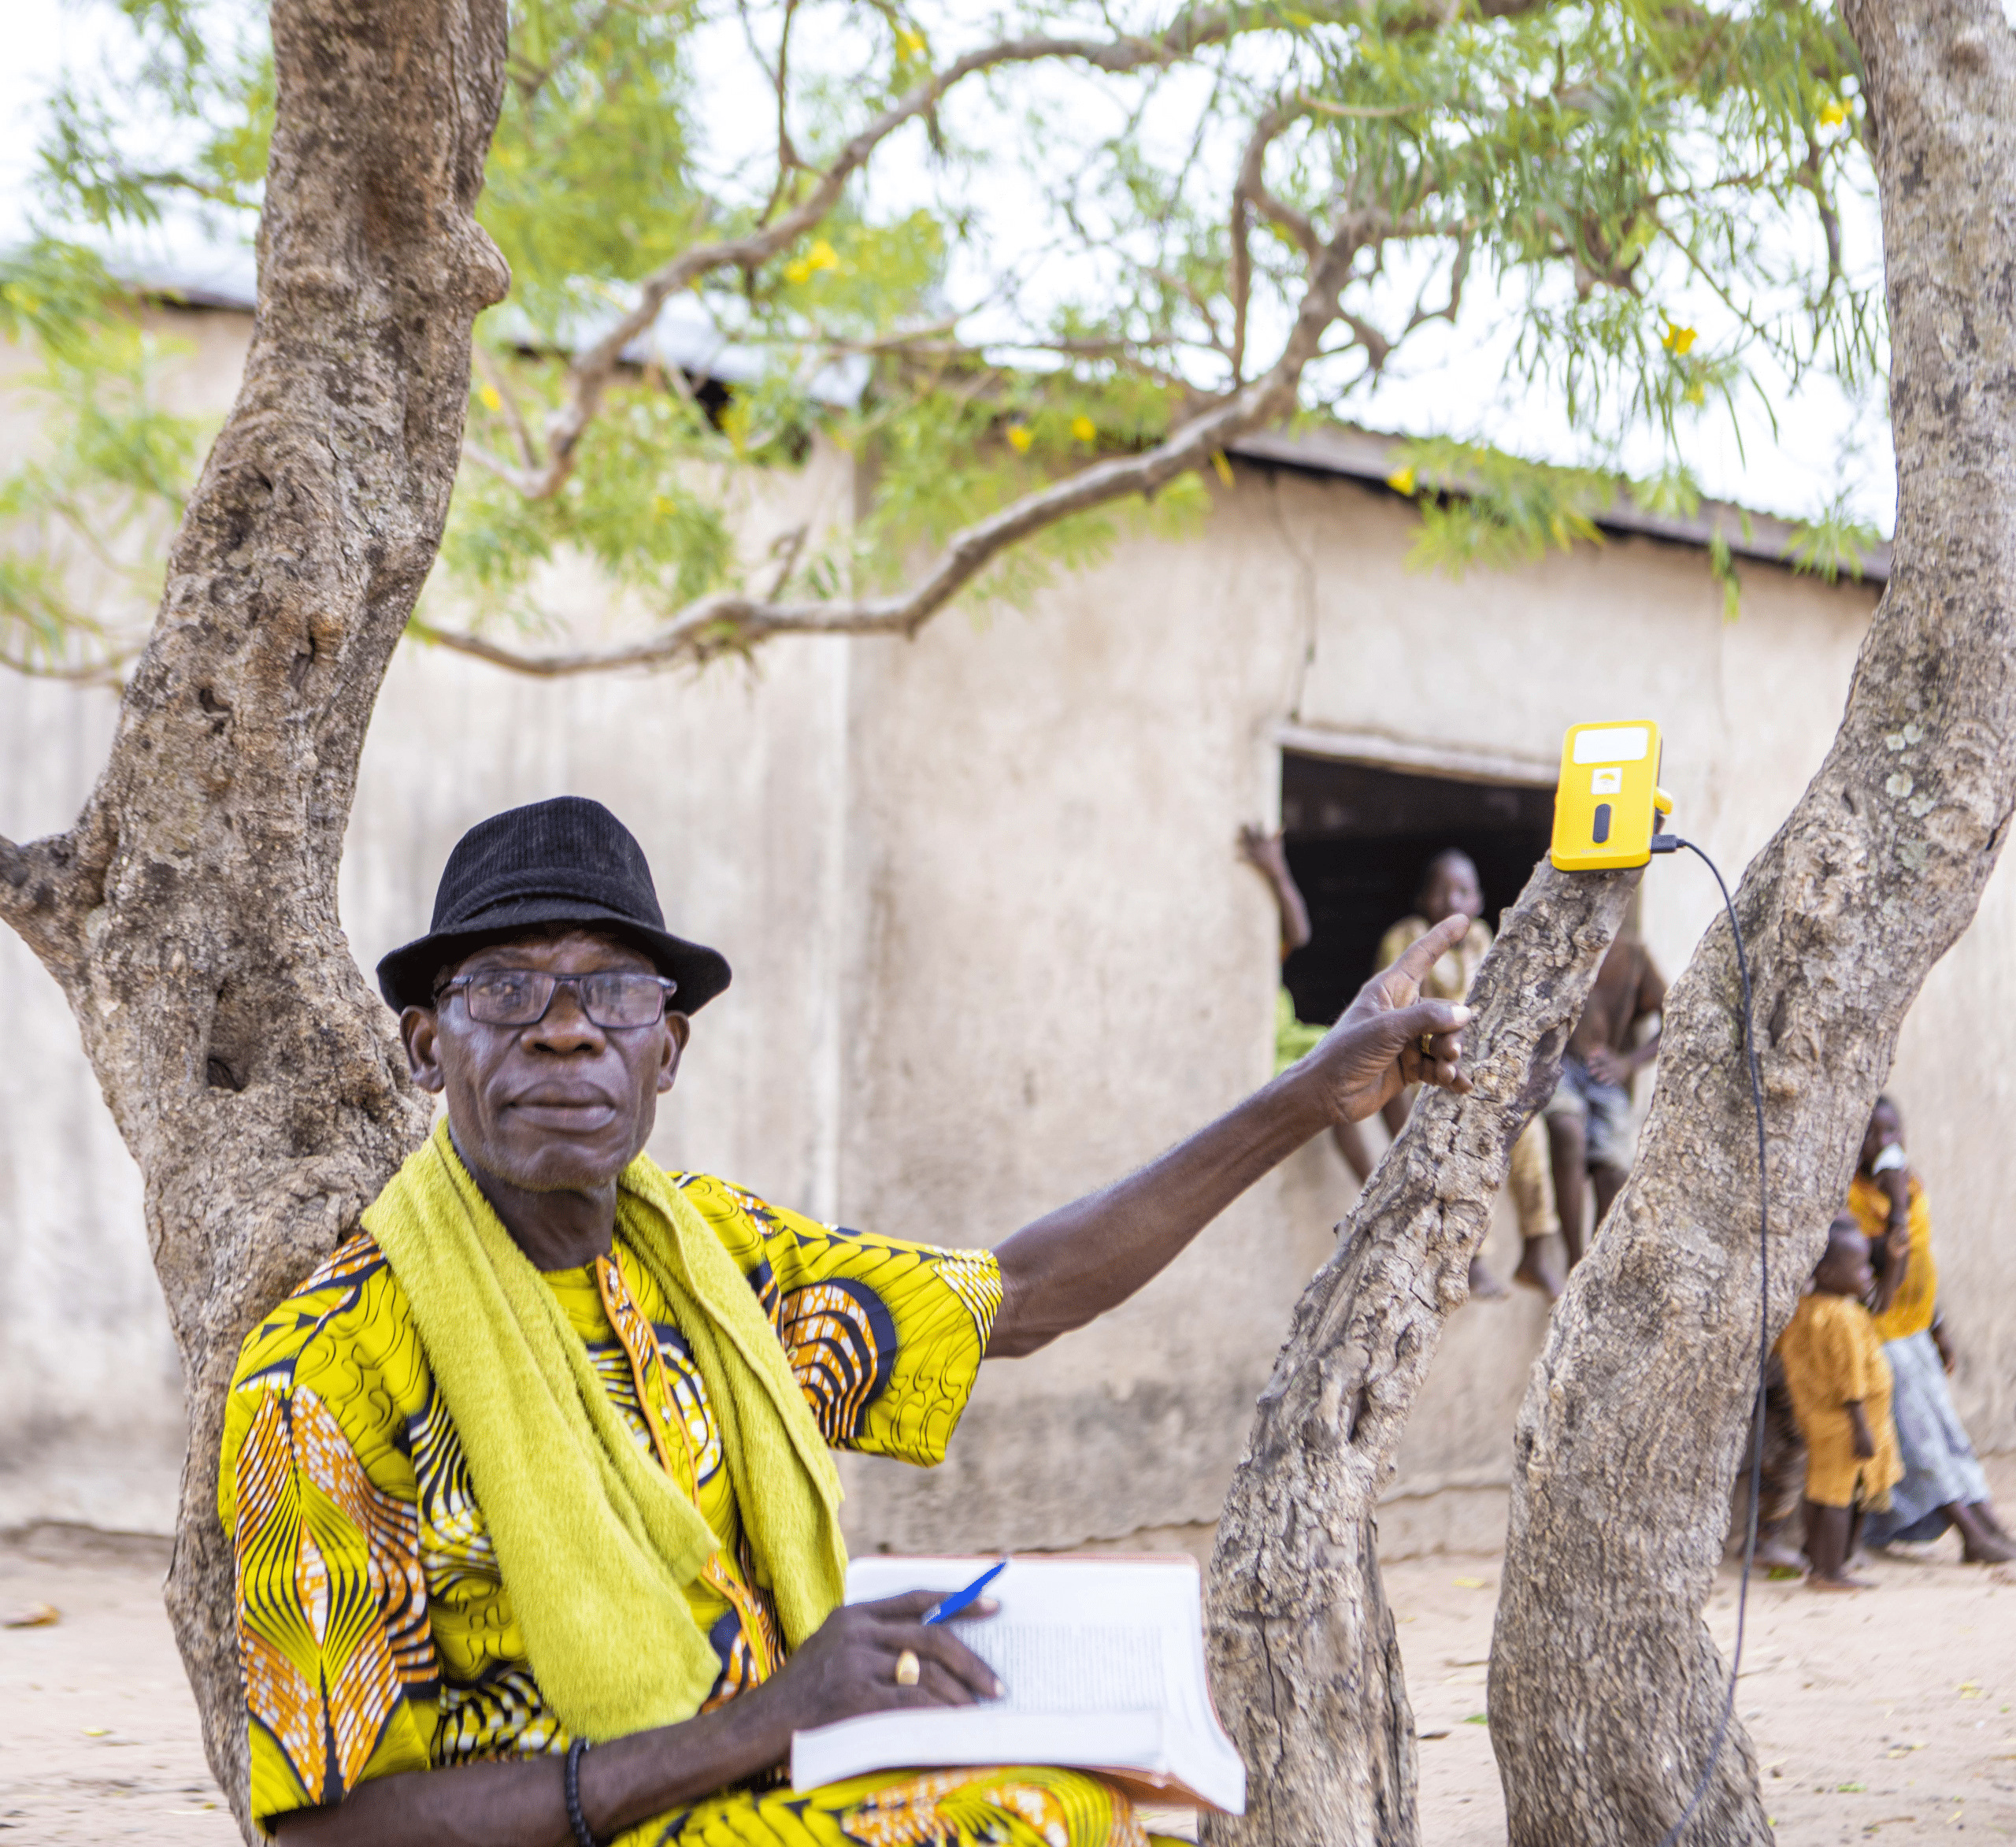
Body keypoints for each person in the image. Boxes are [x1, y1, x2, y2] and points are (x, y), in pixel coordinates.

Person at [222, 797, 1476, 1847]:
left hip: (778, 1786)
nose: (564, 1026)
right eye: (506, 989)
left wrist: (1313, 1094)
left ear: (666, 1051)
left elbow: (1021, 1297)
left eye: (610, 990)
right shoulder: (323, 1374)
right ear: (427, 1045)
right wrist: (759, 1721)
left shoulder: (716, 1258)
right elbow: (328, 1830)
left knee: (1114, 1801)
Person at [1371, 850, 1566, 1300]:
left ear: (1478, 901)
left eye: (1462, 891)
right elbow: (1395, 1012)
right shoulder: (1407, 937)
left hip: (1476, 1071)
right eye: (1440, 891)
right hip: (1423, 1066)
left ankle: (1538, 1246)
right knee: (1463, 1142)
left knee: (1528, 1135)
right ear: (1422, 899)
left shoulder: (1483, 940)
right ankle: (1473, 1258)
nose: (1450, 901)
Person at [1846, 1097, 2014, 1563]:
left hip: (1915, 1330)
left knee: (1947, 1429)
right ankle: (1968, 1533)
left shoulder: (1912, 1186)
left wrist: (1939, 1327)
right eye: (1871, 1135)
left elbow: (1922, 1263)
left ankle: (1987, 1520)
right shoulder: (1855, 1200)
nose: (1884, 1144)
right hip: (1879, 1335)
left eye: (1892, 1132)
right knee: (1919, 1439)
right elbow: (1889, 1267)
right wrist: (1896, 1205)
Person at [1774, 1215, 1903, 1591]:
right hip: (1848, 1424)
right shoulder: (1843, 1317)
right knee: (1838, 1498)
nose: (1866, 1274)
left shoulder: (1805, 1310)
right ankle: (1830, 1572)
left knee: (1820, 1490)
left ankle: (1819, 1562)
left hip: (1817, 1420)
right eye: (1859, 1267)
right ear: (1828, 1273)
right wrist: (1860, 1427)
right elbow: (1850, 1379)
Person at [1543, 930, 1665, 1265]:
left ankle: (1594, 1266)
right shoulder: (1555, 937)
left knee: (1614, 1168)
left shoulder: (1633, 954)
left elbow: (1676, 1014)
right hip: (1557, 1066)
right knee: (1568, 1129)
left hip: (1603, 1075)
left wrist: (1629, 1062)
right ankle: (1572, 1259)